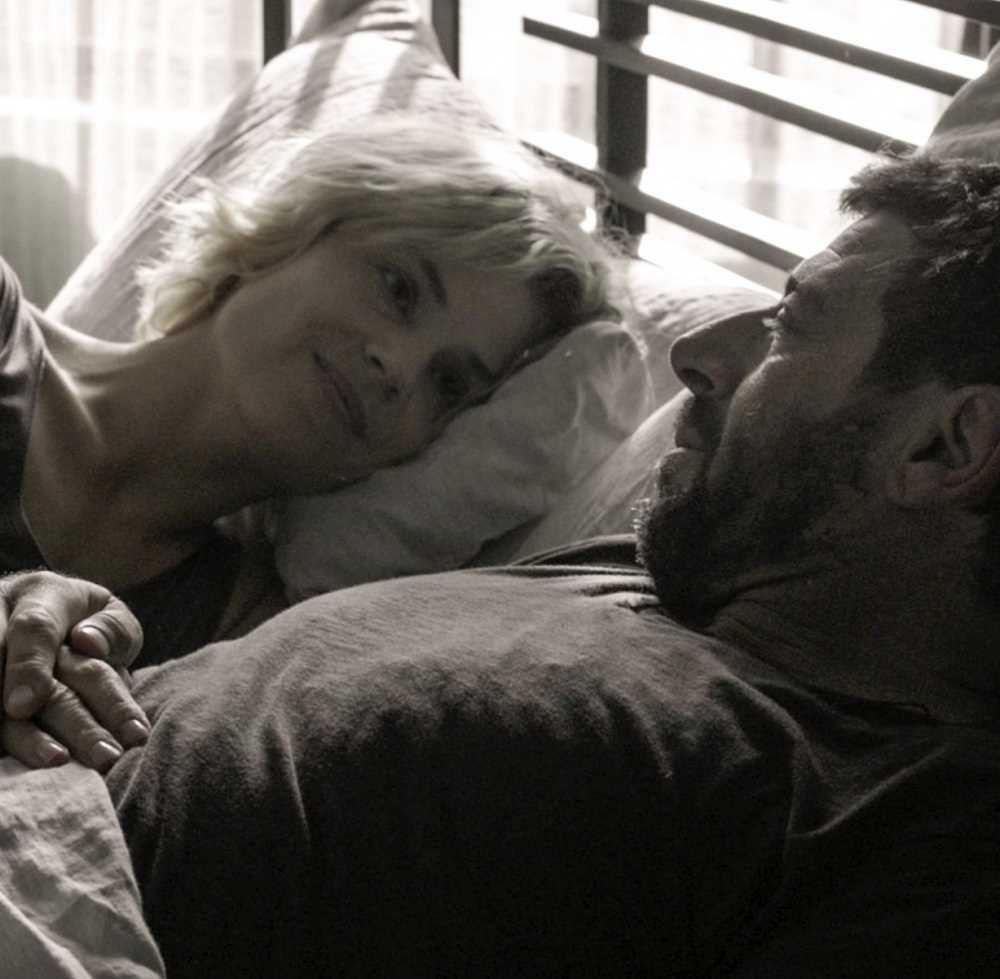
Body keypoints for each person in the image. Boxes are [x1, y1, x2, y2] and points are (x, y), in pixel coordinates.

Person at [5, 147, 1000, 975]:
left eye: (789, 325)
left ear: (944, 446)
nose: (692, 356)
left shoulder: (903, 824)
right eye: (399, 286)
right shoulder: (669, 566)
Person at [0, 114, 618, 763]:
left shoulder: (249, 644)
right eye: (399, 288)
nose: (398, 367)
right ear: (298, 229)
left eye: (448, 382)